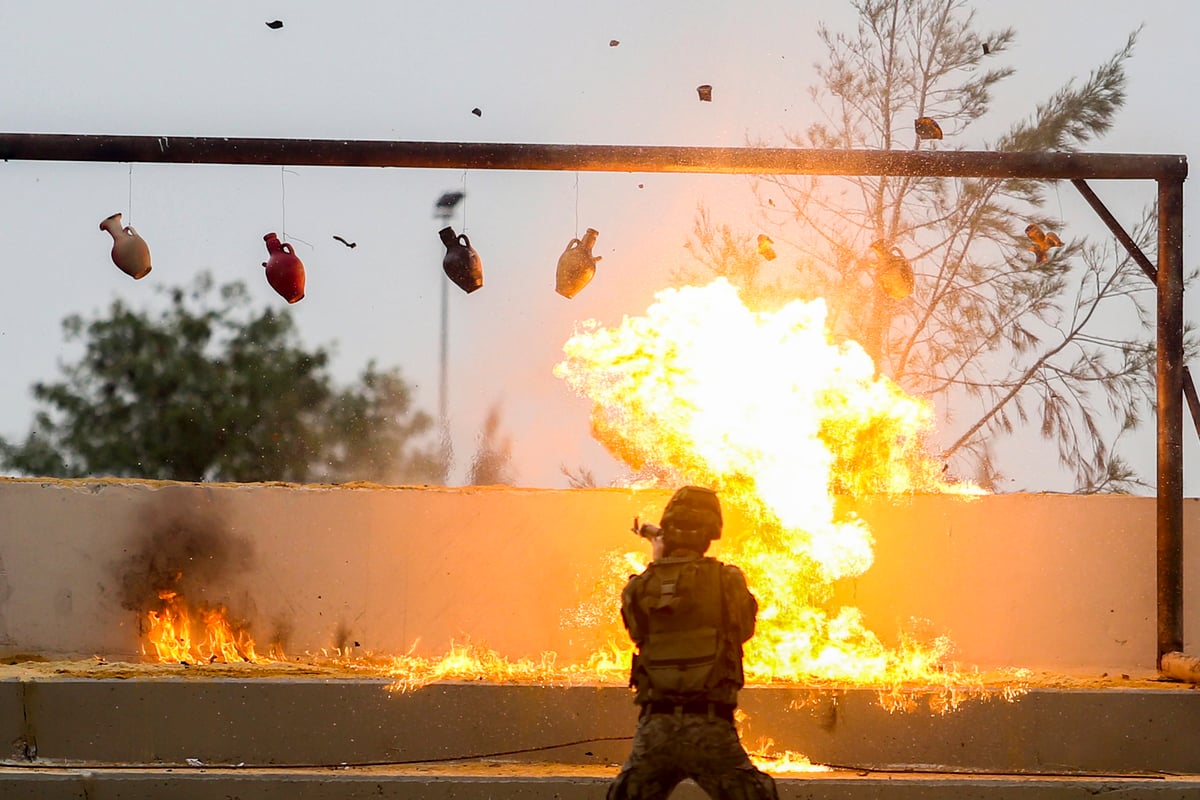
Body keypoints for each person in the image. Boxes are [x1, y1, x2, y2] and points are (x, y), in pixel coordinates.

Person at [607, 486, 779, 800]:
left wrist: (659, 564)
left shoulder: (640, 587)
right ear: (710, 533)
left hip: (655, 728)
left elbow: (639, 633)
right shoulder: (727, 581)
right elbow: (743, 630)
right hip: (710, 726)